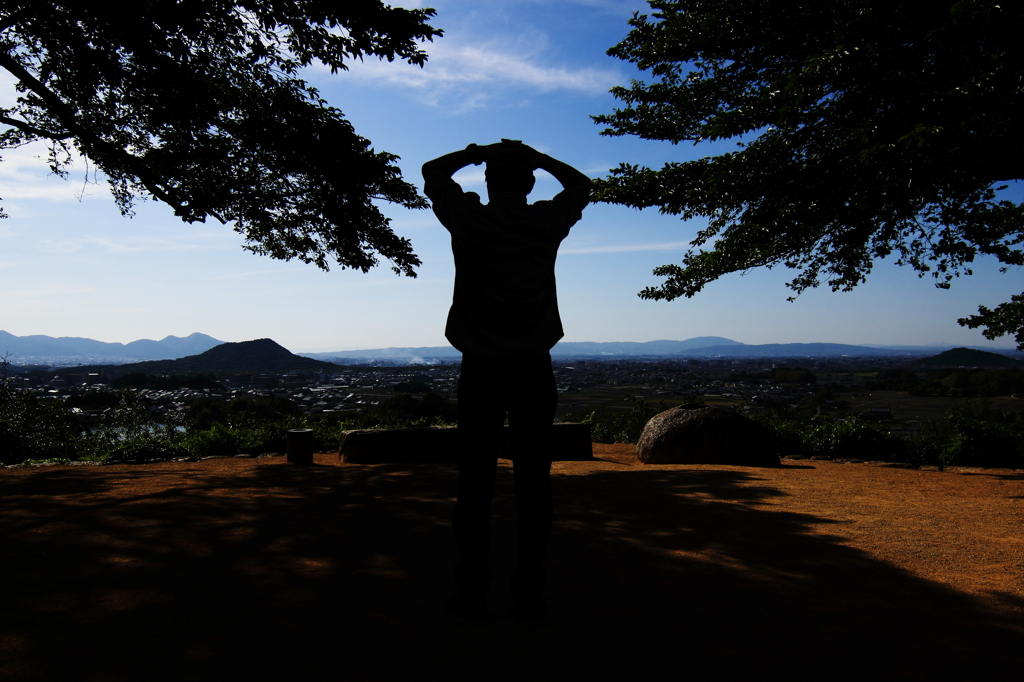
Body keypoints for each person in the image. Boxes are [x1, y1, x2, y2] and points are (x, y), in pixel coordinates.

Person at [422, 140, 592, 621]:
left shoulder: (469, 221)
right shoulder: (543, 224)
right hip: (534, 368)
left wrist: (476, 150)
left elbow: (433, 170)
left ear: (489, 182)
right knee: (533, 485)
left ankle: (472, 589)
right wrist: (540, 156)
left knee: (474, 484)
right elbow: (581, 186)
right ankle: (529, 591)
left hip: (479, 368)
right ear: (531, 183)